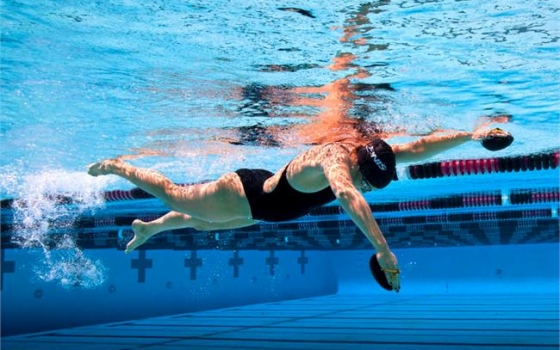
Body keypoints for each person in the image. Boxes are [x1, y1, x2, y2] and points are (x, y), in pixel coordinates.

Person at [88, 125, 513, 293]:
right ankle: (120, 167)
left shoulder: (372, 151)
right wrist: (383, 250)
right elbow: (349, 196)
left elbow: (420, 146)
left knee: (202, 225)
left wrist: (472, 137)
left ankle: (149, 230)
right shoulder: (336, 162)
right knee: (175, 195)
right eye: (367, 180)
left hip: (262, 208)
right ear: (359, 167)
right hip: (246, 195)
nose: (366, 185)